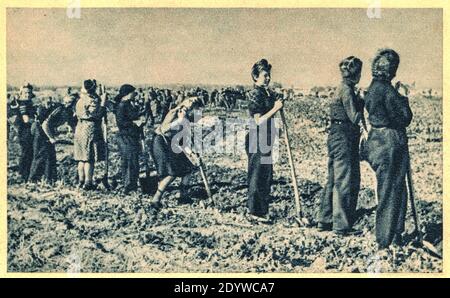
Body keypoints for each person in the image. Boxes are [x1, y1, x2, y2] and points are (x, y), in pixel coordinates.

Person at [364, 49, 413, 249]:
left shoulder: (373, 87)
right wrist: (403, 97)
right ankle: (386, 239)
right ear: (391, 70)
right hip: (390, 143)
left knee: (392, 189)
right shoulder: (388, 91)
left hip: (376, 140)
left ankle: (394, 234)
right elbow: (404, 118)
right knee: (392, 190)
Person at [318, 56, 364, 235]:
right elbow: (354, 116)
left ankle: (325, 219)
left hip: (336, 135)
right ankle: (341, 226)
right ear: (356, 74)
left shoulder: (342, 88)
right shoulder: (347, 91)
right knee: (344, 181)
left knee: (333, 179)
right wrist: (362, 101)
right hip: (344, 137)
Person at [245, 59, 284, 222]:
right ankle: (254, 212)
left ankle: (262, 211)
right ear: (255, 77)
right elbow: (258, 120)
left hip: (267, 137)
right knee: (257, 174)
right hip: (257, 137)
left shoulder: (266, 92)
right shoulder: (254, 94)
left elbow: (276, 98)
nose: (268, 78)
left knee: (266, 175)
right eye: (265, 75)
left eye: (269, 75)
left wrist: (280, 97)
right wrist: (275, 108)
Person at [149, 97, 200, 209]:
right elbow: (163, 129)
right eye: (190, 100)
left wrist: (191, 153)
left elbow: (183, 140)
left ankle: (183, 196)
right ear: (184, 101)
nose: (192, 103)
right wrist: (179, 121)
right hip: (162, 143)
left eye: (195, 102)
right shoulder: (174, 112)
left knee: (189, 168)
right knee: (172, 173)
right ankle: (155, 200)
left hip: (173, 144)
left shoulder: (187, 118)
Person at [28, 94, 77, 183]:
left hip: (47, 130)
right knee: (40, 155)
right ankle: (32, 180)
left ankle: (49, 179)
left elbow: (72, 124)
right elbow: (45, 124)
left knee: (50, 156)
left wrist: (75, 135)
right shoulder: (59, 110)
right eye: (67, 102)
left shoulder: (69, 112)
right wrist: (51, 138)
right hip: (40, 129)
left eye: (71, 102)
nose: (68, 104)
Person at [74, 79, 107, 190]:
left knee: (81, 158)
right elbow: (97, 115)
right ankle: (88, 182)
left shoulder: (80, 100)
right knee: (89, 157)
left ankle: (81, 181)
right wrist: (102, 104)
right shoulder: (92, 100)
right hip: (89, 128)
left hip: (79, 128)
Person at [114, 84, 148, 194]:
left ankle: (132, 184)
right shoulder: (121, 106)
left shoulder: (129, 104)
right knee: (129, 161)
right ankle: (128, 186)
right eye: (133, 92)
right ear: (127, 94)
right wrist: (135, 123)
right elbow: (121, 123)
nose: (135, 94)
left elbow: (134, 116)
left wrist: (141, 117)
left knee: (134, 161)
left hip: (132, 136)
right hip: (125, 137)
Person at [15, 83, 36, 181]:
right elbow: (26, 119)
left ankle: (25, 174)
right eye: (26, 93)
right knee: (26, 153)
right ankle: (23, 175)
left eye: (29, 93)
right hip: (25, 132)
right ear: (22, 93)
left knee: (28, 153)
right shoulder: (23, 104)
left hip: (28, 131)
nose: (28, 95)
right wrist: (37, 120)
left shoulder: (29, 103)